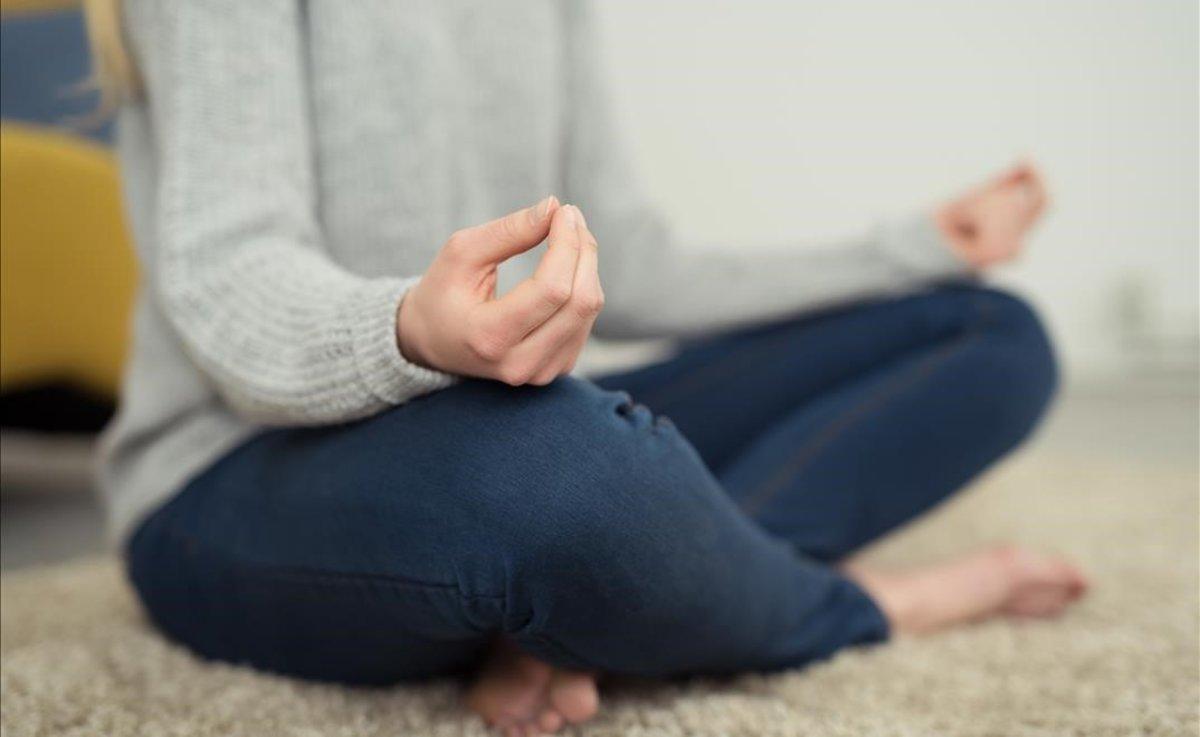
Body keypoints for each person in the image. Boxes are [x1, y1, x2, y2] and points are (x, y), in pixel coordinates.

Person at [91, 2, 1087, 734]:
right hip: (235, 473)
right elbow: (230, 274)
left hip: (486, 417)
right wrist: (407, 327)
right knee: (578, 477)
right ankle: (855, 604)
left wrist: (910, 248)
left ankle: (582, 612)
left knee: (987, 336)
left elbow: (641, 265)